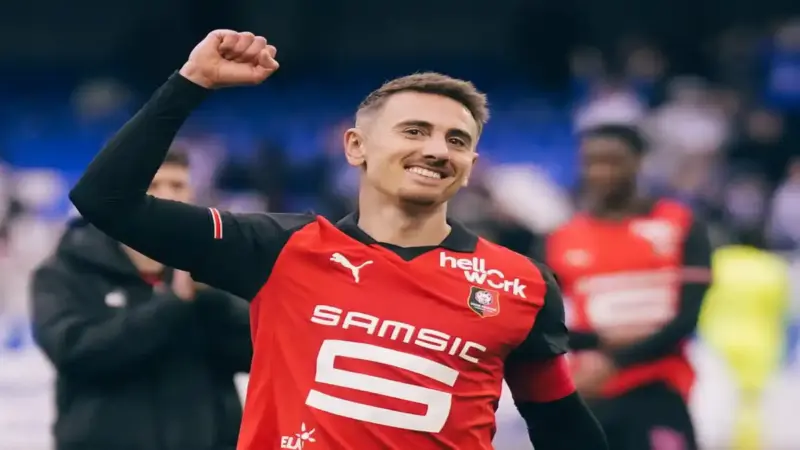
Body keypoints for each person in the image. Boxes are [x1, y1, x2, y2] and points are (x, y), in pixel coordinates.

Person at [68, 30, 607, 450]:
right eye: (414, 131)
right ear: (355, 147)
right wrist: (191, 82)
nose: (437, 150)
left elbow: (559, 421)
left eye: (457, 140)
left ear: (470, 165)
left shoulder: (521, 284)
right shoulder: (281, 248)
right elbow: (105, 200)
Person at [31, 149, 252, 450]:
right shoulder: (66, 270)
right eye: (151, 185)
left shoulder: (215, 270)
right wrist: (174, 303)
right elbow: (76, 354)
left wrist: (213, 299)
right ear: (118, 194)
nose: (165, 196)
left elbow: (255, 355)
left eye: (177, 185)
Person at [541, 124, 712, 450]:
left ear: (638, 161)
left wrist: (616, 361)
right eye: (591, 162)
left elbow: (688, 318)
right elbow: (541, 323)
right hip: (590, 391)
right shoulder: (560, 238)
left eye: (612, 161)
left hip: (659, 386)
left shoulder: (682, 225)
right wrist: (590, 349)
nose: (600, 172)